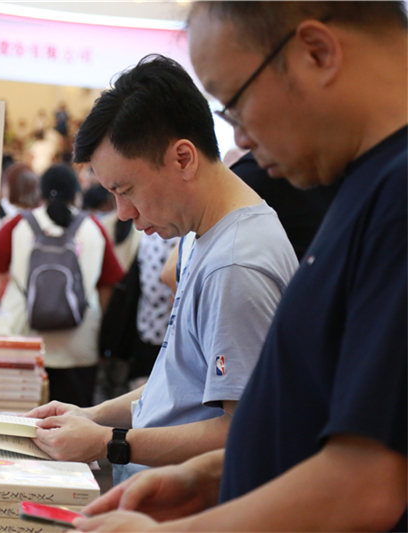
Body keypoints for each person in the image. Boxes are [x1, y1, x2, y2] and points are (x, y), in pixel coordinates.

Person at [75, 3, 407, 531]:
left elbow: (366, 483)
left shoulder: (395, 198)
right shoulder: (362, 185)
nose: (242, 140)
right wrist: (206, 476)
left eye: (235, 104)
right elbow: (300, 425)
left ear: (317, 52)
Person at [26, 55, 298, 483]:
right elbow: (179, 388)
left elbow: (243, 432)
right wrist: (91, 416)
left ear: (183, 158)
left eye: (126, 189)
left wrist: (109, 442)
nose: (122, 212)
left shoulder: (234, 264)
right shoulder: (200, 236)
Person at [0, 164, 125, 407]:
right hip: (79, 344)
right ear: (76, 194)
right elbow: (109, 283)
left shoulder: (16, 225)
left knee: (20, 418)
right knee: (73, 420)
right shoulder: (94, 228)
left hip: (23, 340)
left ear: (41, 193)